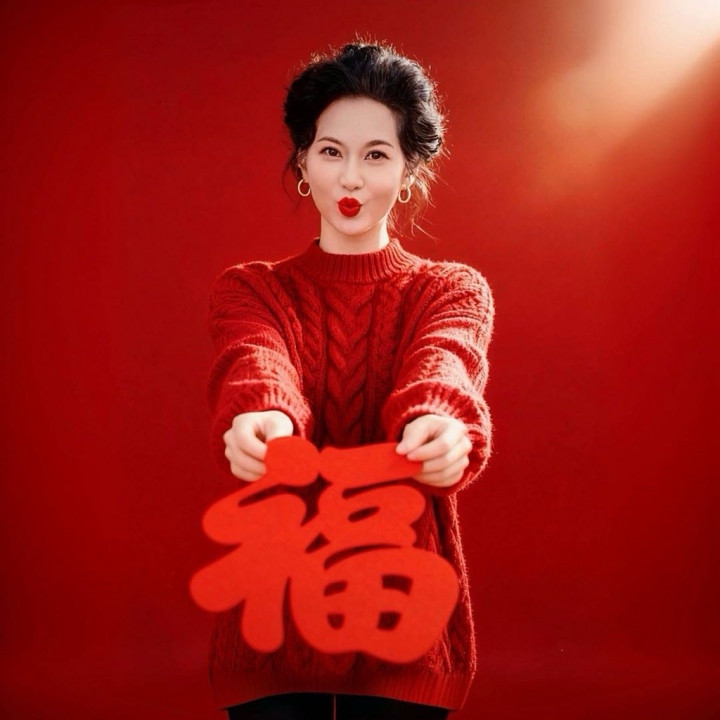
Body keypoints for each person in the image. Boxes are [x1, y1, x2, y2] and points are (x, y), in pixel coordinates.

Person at [206, 40, 494, 720]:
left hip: (403, 614)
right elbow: (255, 357)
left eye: (377, 155)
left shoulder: (451, 289)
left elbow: (445, 359)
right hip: (274, 614)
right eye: (331, 151)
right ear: (303, 162)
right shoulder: (251, 289)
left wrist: (439, 423)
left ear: (410, 170)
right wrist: (264, 416)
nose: (351, 179)